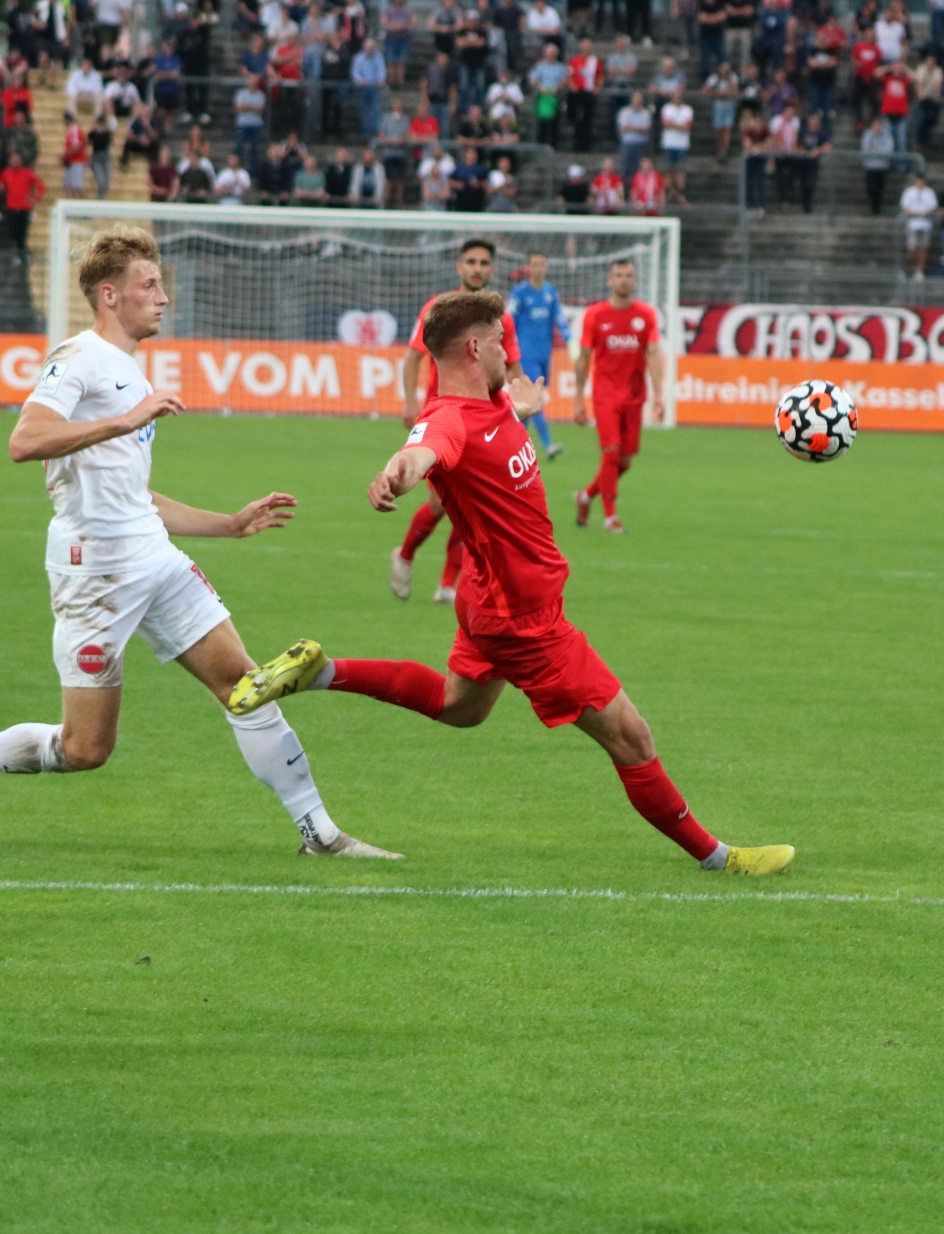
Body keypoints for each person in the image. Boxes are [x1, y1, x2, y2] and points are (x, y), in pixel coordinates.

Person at [227, 293, 793, 877]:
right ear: (475, 347)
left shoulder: (493, 402)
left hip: (487, 596)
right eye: (500, 340)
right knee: (631, 736)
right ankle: (718, 858)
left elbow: (485, 430)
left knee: (459, 708)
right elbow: (426, 449)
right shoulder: (448, 419)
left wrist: (522, 407)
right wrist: (398, 472)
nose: (509, 352)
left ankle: (320, 670)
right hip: (525, 621)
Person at [0, 231, 395, 860]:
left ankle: (319, 834)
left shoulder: (129, 370)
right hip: (95, 573)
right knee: (86, 749)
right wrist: (128, 419)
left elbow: (136, 497)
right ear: (110, 295)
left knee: (247, 685)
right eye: (149, 286)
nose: (164, 297)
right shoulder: (78, 357)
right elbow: (25, 440)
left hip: (153, 560)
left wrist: (229, 523)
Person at [393, 239, 525, 603]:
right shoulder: (438, 310)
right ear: (459, 267)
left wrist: (520, 406)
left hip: (488, 422)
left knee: (473, 505)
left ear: (492, 269)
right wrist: (409, 402)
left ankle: (448, 584)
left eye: (484, 262)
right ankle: (404, 554)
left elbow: (512, 366)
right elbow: (413, 357)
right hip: (446, 420)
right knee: (440, 505)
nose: (478, 268)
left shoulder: (503, 319)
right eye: (471, 261)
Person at [573, 259, 662, 535]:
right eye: (619, 275)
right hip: (605, 395)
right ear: (609, 280)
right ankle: (610, 516)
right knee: (611, 453)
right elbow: (584, 358)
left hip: (635, 396)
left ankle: (585, 496)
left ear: (634, 280)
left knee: (624, 462)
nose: (624, 280)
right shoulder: (595, 315)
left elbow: (654, 354)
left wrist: (660, 396)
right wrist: (578, 398)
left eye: (629, 275)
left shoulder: (645, 315)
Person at [507, 252, 573, 459]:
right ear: (527, 268)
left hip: (545, 353)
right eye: (533, 264)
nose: (537, 268)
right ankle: (548, 445)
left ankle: (511, 444)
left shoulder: (550, 292)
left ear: (546, 267)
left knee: (529, 405)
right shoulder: (519, 293)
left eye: (540, 264)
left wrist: (570, 340)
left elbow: (560, 319)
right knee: (535, 398)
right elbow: (509, 321)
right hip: (525, 355)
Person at [0, 152, 44, 263]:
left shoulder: (27, 173)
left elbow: (41, 186)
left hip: (23, 208)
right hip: (11, 207)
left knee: (22, 233)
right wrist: (0, 187)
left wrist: (34, 198)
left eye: (17, 160)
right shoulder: (6, 172)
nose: (15, 162)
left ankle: (22, 255)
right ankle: (14, 254)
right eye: (13, 160)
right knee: (12, 232)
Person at [900, 171, 938, 279]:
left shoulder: (929, 192)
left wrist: (924, 213)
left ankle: (919, 270)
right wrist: (915, 213)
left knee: (923, 248)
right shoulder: (909, 192)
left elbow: (932, 207)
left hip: (925, 223)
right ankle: (917, 266)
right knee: (912, 248)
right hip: (913, 224)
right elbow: (905, 207)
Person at [861, 113, 894, 213]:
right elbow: (865, 149)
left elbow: (889, 150)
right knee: (871, 188)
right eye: (876, 124)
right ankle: (872, 205)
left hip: (882, 166)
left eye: (879, 125)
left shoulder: (887, 136)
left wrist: (877, 151)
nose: (878, 127)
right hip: (870, 166)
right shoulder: (868, 135)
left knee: (880, 189)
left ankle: (877, 208)